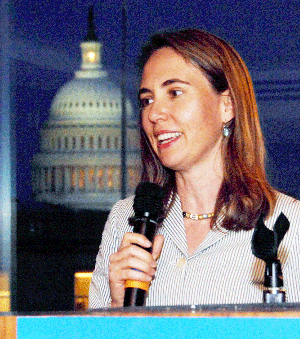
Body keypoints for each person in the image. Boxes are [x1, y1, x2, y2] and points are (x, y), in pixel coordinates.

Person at [89, 29, 300, 308]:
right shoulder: (125, 220)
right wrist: (118, 306)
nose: (154, 114)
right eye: (147, 100)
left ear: (227, 106)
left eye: (174, 93)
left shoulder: (288, 225)